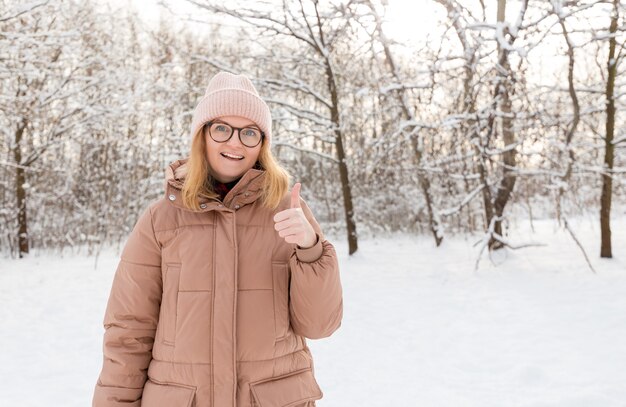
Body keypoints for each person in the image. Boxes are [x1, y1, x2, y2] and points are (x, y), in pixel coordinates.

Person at [92, 71, 343, 407]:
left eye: (249, 132)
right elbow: (128, 332)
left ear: (262, 145)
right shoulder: (160, 219)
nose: (235, 142)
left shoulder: (287, 212)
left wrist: (311, 249)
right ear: (203, 136)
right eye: (222, 128)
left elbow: (319, 324)